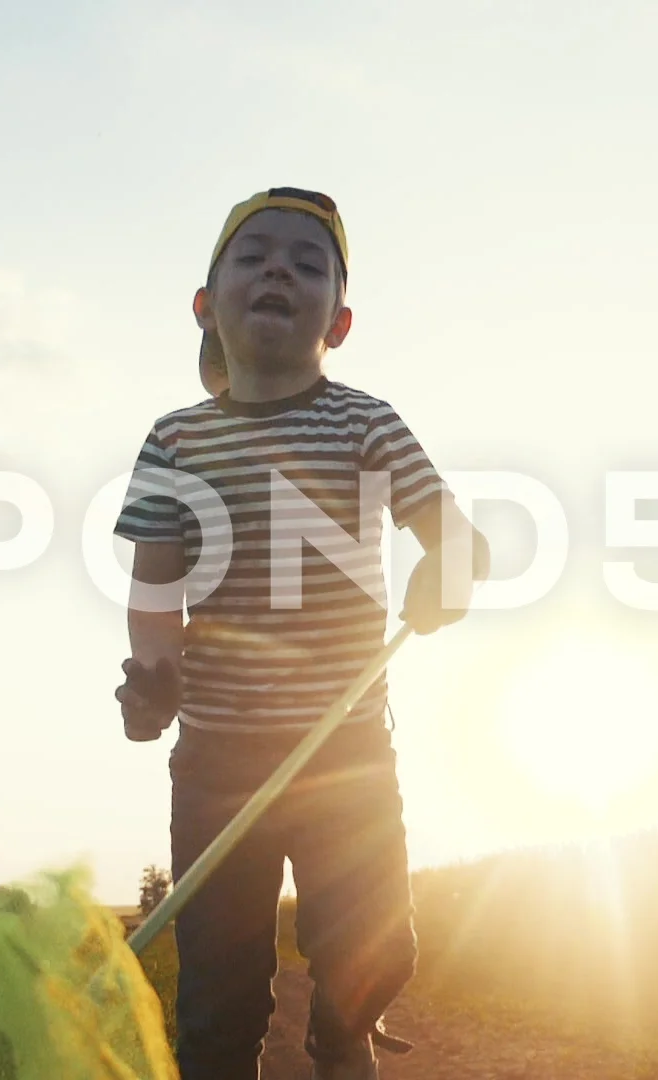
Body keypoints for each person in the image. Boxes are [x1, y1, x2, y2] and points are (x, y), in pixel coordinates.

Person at [111, 188, 491, 1080]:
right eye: (254, 257)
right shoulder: (175, 442)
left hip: (346, 751)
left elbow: (457, 539)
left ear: (340, 321)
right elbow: (155, 586)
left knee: (376, 956)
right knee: (219, 996)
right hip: (218, 763)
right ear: (207, 305)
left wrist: (448, 573)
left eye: (307, 263)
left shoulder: (365, 424)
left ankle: (342, 1032)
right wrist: (153, 681)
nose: (280, 268)